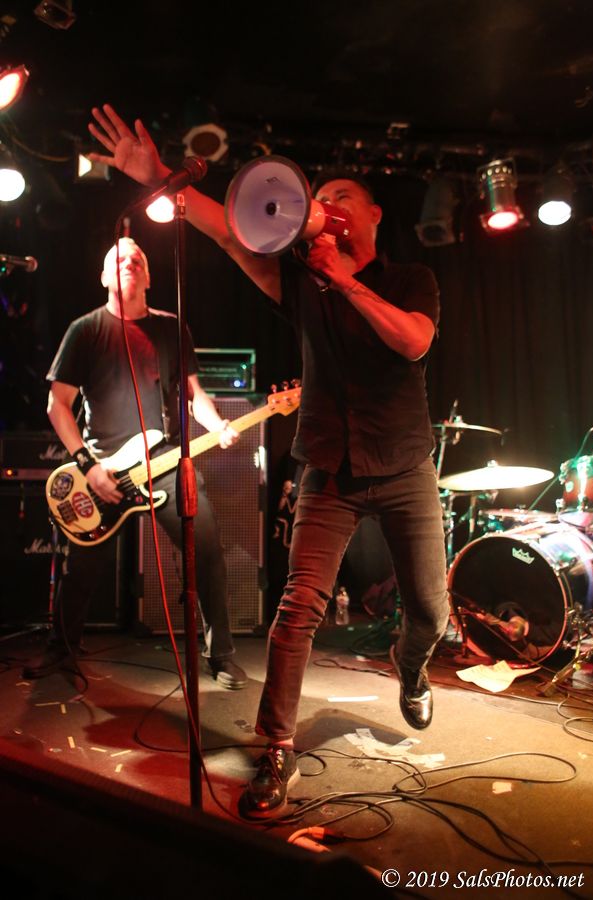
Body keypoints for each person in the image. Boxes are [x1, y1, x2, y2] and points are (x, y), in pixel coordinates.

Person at [86, 105, 449, 817]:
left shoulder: (411, 278)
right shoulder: (301, 284)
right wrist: (160, 178)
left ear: (372, 214)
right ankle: (275, 749)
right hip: (328, 469)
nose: (326, 204)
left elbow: (413, 341)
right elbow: (229, 232)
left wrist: (346, 280)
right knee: (296, 609)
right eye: (320, 196)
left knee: (431, 611)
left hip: (406, 467)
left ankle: (411, 666)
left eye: (340, 196)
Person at [23, 236, 247, 691]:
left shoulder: (171, 328)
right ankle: (61, 648)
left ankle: (220, 654)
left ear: (149, 276)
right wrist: (88, 466)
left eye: (138, 258)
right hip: (102, 468)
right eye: (120, 259)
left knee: (205, 549)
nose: (130, 262)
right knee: (82, 568)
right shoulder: (85, 330)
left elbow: (194, 395)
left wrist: (218, 426)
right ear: (105, 276)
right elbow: (57, 405)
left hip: (164, 462)